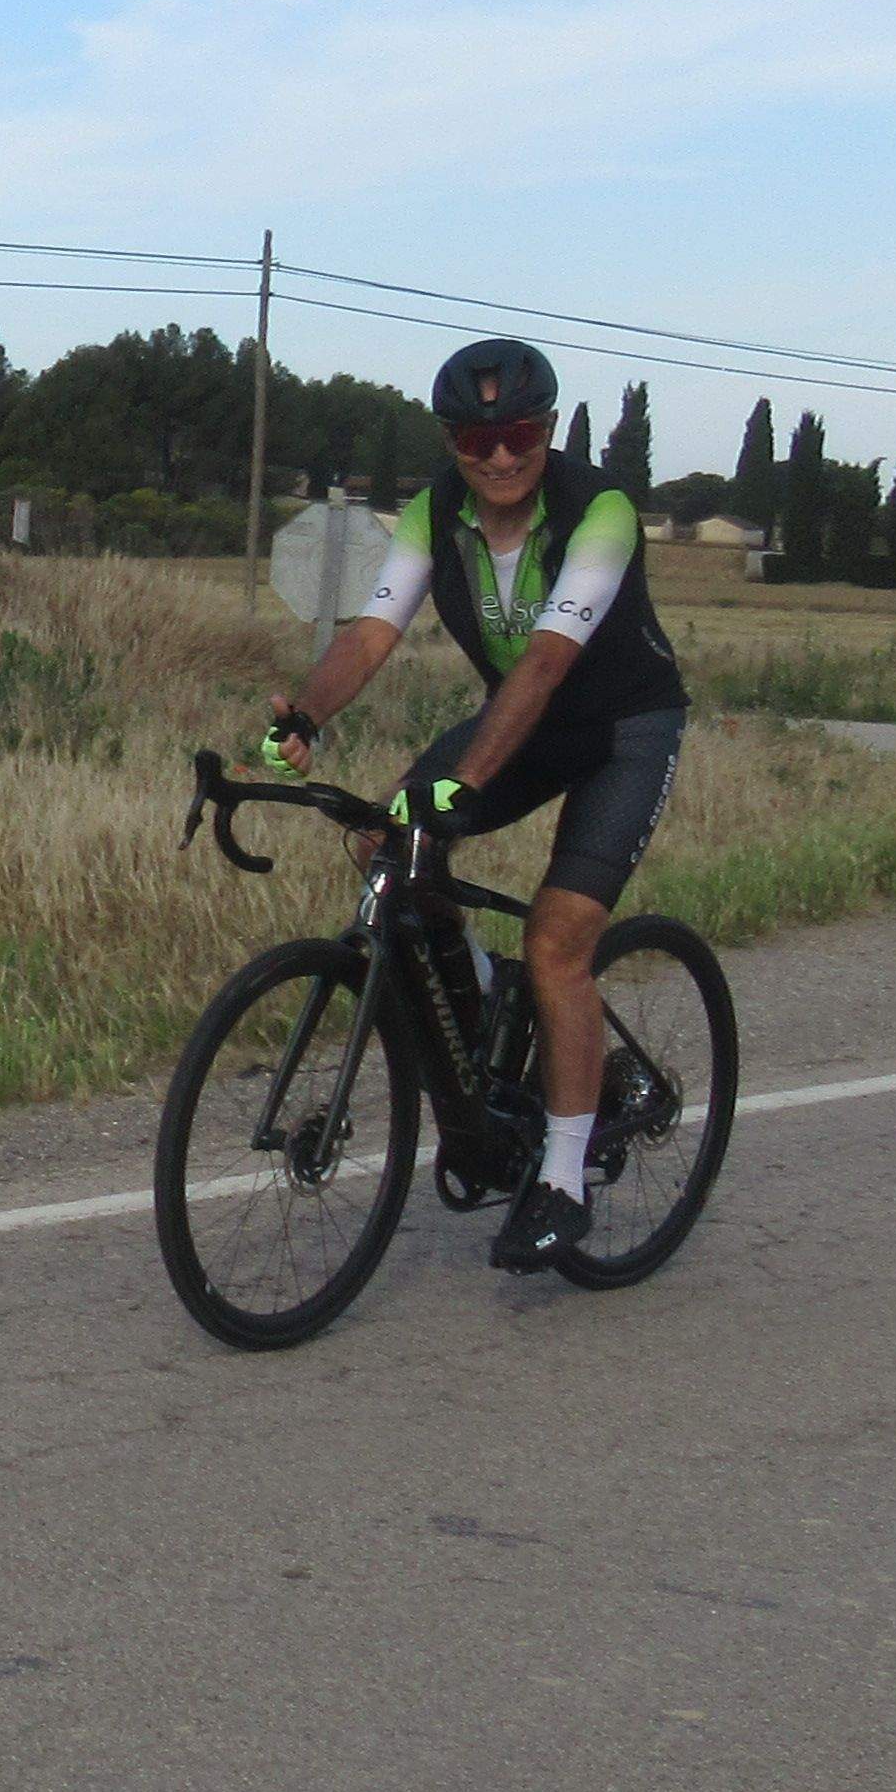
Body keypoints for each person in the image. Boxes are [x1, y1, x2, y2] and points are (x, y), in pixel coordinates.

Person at [252, 339, 687, 1275]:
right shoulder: (433, 515)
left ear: (546, 430)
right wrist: (311, 717)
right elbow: (372, 631)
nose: (499, 456)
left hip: (621, 729)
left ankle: (562, 1183)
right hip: (526, 722)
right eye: (477, 438)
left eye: (520, 433)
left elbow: (543, 665)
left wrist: (466, 784)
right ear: (452, 442)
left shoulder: (596, 512)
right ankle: (486, 997)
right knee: (385, 839)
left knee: (561, 939)